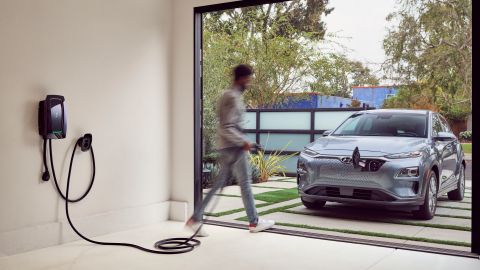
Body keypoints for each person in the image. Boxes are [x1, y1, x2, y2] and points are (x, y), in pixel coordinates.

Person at [186, 64, 275, 236]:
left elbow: (229, 125)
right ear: (242, 78)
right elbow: (227, 126)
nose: (250, 82)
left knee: (219, 185)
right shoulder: (231, 96)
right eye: (249, 79)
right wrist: (244, 142)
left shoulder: (231, 95)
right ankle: (254, 222)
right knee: (245, 185)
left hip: (231, 146)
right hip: (233, 148)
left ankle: (195, 219)